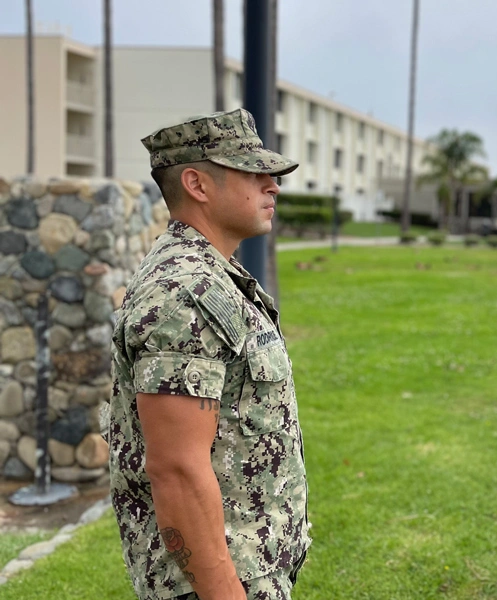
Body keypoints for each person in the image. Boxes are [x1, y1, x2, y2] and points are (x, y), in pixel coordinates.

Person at [108, 108, 309, 600]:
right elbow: (176, 469)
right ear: (197, 184)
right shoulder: (183, 293)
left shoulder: (213, 274)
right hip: (214, 583)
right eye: (253, 172)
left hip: (246, 565)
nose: (273, 185)